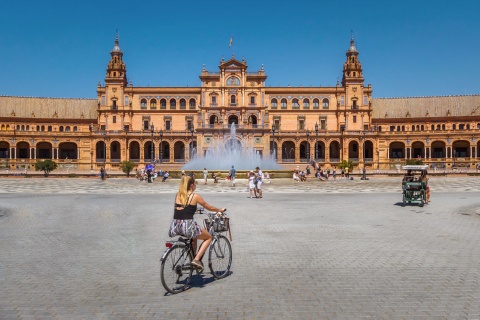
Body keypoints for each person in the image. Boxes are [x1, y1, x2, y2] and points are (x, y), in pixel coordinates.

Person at [169, 176, 226, 271]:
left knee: (194, 237)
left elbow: (184, 208)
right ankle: (196, 260)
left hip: (176, 226)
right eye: (195, 184)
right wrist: (219, 209)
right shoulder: (195, 196)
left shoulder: (178, 195)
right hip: (187, 226)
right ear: (191, 185)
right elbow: (209, 207)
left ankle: (193, 257)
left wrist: (194, 210)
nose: (195, 186)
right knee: (208, 237)